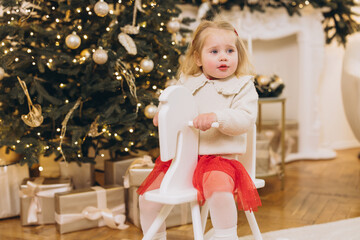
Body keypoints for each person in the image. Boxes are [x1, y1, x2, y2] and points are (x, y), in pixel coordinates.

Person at [137, 19, 261, 240]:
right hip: (183, 160)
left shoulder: (243, 86)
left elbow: (245, 119)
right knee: (147, 197)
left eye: (230, 51)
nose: (223, 57)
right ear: (198, 58)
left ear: (238, 55)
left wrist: (217, 117)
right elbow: (172, 104)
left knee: (219, 190)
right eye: (214, 51)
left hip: (220, 160)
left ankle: (225, 235)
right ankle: (155, 236)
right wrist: (163, 115)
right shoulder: (187, 82)